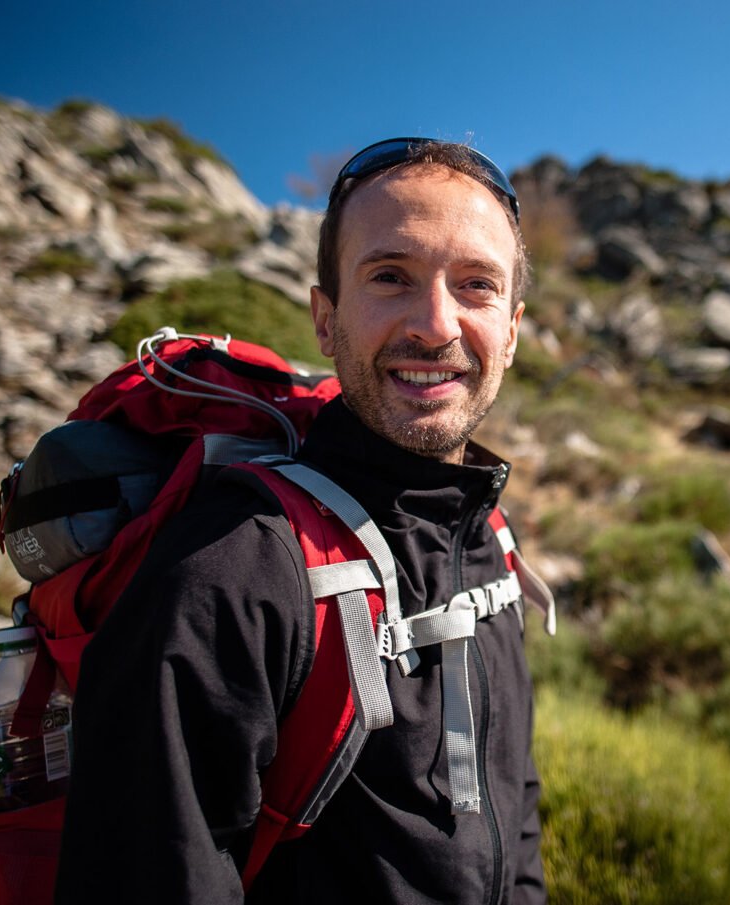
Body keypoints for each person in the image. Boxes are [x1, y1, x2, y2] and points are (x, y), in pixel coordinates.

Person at [55, 138, 547, 904]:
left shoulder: (489, 541)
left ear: (511, 330)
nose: (435, 324)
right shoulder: (233, 568)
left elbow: (516, 805)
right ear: (326, 319)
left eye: (476, 285)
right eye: (391, 276)